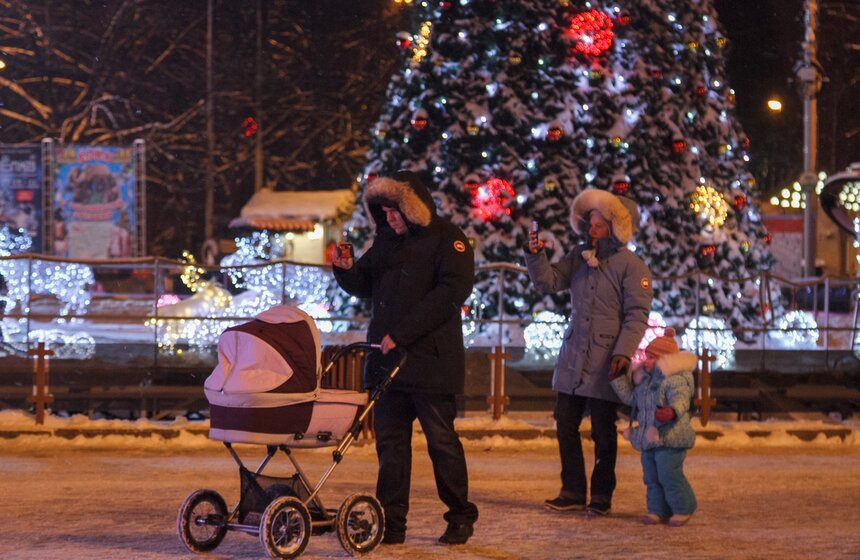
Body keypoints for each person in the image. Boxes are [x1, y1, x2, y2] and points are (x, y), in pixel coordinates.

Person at [332, 170, 479, 545]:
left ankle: (459, 516)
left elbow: (452, 292)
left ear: (411, 206)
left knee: (441, 443)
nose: (389, 218)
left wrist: (401, 334)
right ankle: (391, 522)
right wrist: (345, 269)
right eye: (382, 211)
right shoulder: (386, 243)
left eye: (394, 210)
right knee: (390, 448)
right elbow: (363, 284)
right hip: (388, 366)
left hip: (431, 362)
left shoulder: (447, 239)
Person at [524, 188, 652, 516]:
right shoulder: (578, 257)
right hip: (574, 357)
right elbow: (548, 283)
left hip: (606, 360)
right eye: (589, 224)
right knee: (565, 423)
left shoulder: (631, 266)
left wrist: (623, 353)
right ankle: (572, 490)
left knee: (602, 431)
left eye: (597, 225)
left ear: (613, 227)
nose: (590, 230)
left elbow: (637, 314)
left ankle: (601, 493)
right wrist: (535, 255)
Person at [609, 327, 698, 526]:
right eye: (646, 356)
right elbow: (633, 399)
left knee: (668, 473)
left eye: (652, 357)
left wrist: (672, 410)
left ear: (665, 360)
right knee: (651, 476)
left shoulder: (676, 380)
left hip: (671, 436)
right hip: (649, 438)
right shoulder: (645, 381)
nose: (646, 361)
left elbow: (682, 400)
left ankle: (684, 507)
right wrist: (618, 380)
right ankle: (657, 510)